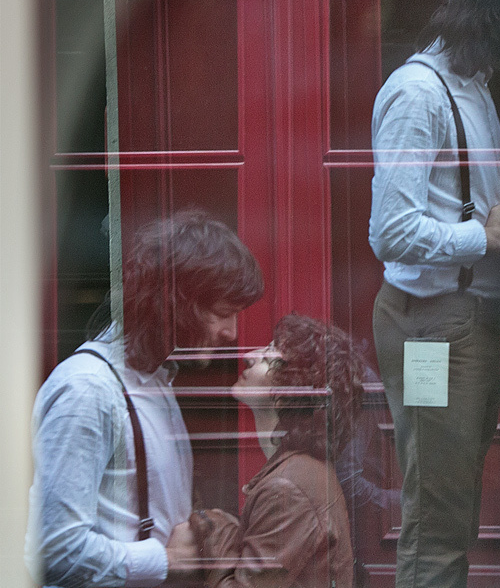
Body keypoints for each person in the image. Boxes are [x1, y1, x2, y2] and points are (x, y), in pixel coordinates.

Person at [368, 0, 500, 588]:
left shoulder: (468, 86)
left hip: (459, 322)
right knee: (438, 512)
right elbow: (389, 232)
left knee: (451, 499)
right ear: (493, 18)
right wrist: (483, 236)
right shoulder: (418, 94)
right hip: (430, 327)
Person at [26, 209, 264, 588]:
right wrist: (166, 560)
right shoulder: (87, 390)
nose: (231, 333)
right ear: (175, 306)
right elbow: (55, 550)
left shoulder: (156, 378)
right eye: (222, 313)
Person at [190, 314, 363, 588]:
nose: (249, 356)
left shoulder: (288, 488)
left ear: (289, 390)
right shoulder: (299, 471)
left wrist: (211, 526)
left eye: (269, 356)